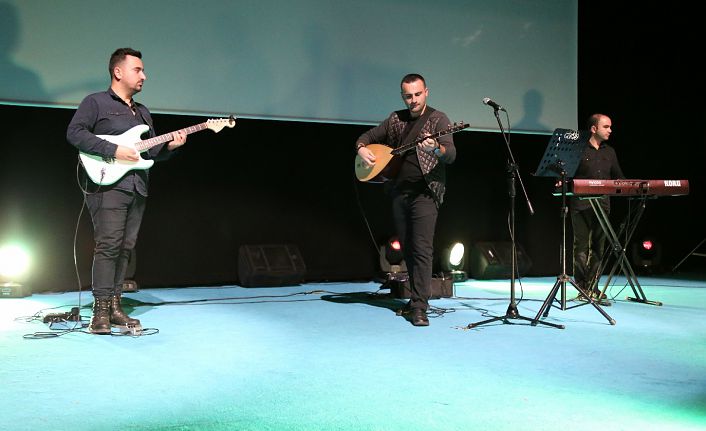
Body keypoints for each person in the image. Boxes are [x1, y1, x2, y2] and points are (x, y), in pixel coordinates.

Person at [67, 48, 186, 334]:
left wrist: (170, 146)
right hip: (107, 183)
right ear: (118, 72)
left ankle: (115, 306)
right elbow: (75, 133)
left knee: (125, 248)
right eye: (138, 70)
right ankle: (100, 312)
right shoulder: (95, 102)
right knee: (108, 245)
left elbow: (150, 151)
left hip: (137, 185)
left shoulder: (142, 112)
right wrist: (114, 149)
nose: (144, 76)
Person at [355, 73, 456, 326]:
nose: (414, 100)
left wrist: (435, 148)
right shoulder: (396, 119)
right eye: (408, 96)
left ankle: (420, 308)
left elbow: (451, 154)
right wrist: (361, 149)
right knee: (408, 249)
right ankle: (415, 300)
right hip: (399, 193)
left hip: (425, 192)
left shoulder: (438, 119)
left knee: (422, 248)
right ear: (403, 96)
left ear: (426, 92)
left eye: (418, 94)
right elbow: (367, 137)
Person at [570, 113, 624, 300]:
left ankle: (592, 286)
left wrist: (631, 186)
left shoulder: (610, 152)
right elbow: (567, 175)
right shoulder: (578, 149)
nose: (610, 130)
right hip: (580, 205)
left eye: (610, 127)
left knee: (598, 247)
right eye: (606, 127)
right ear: (594, 129)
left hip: (602, 205)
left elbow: (618, 176)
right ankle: (582, 288)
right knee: (581, 247)